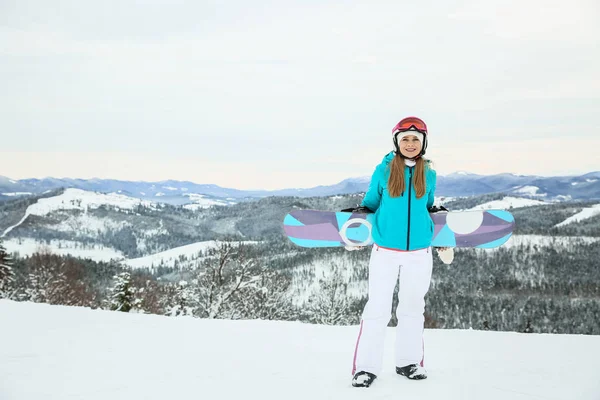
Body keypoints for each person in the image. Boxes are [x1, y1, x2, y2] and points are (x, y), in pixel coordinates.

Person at [348, 116, 453, 388]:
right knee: (377, 309)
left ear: (423, 143)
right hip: (385, 251)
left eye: (415, 139)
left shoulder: (428, 173)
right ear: (396, 142)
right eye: (405, 138)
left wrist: (442, 232)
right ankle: (366, 368)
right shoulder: (383, 170)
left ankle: (409, 363)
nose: (410, 143)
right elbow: (370, 202)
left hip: (419, 252)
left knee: (412, 308)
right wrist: (356, 228)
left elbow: (427, 206)